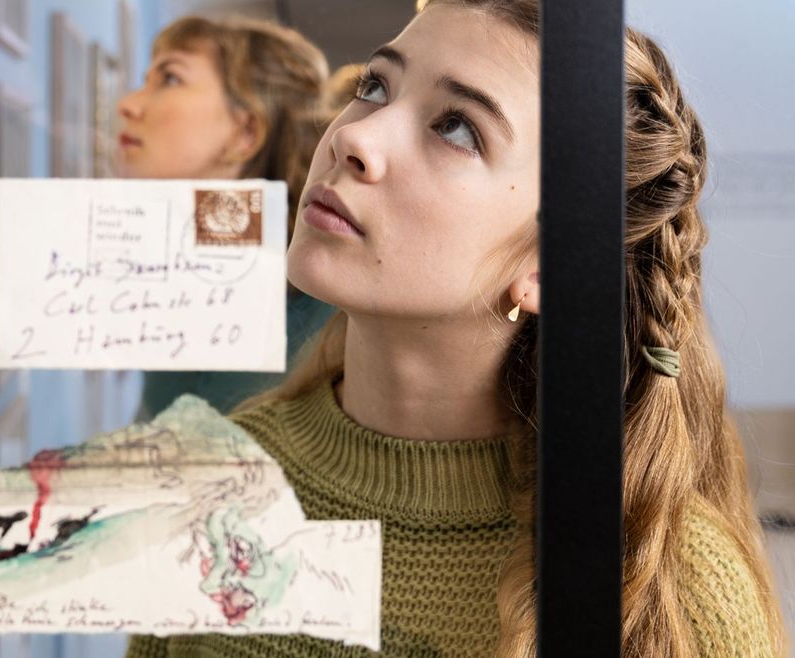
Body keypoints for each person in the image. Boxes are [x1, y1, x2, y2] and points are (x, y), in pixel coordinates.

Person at [126, 1, 791, 656]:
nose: (354, 136)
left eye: (457, 128)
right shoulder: (218, 480)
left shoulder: (663, 583)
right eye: (374, 87)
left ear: (550, 263)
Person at [116, 15, 339, 418]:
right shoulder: (173, 266)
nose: (128, 105)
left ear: (245, 133)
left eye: (169, 79)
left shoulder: (323, 299)